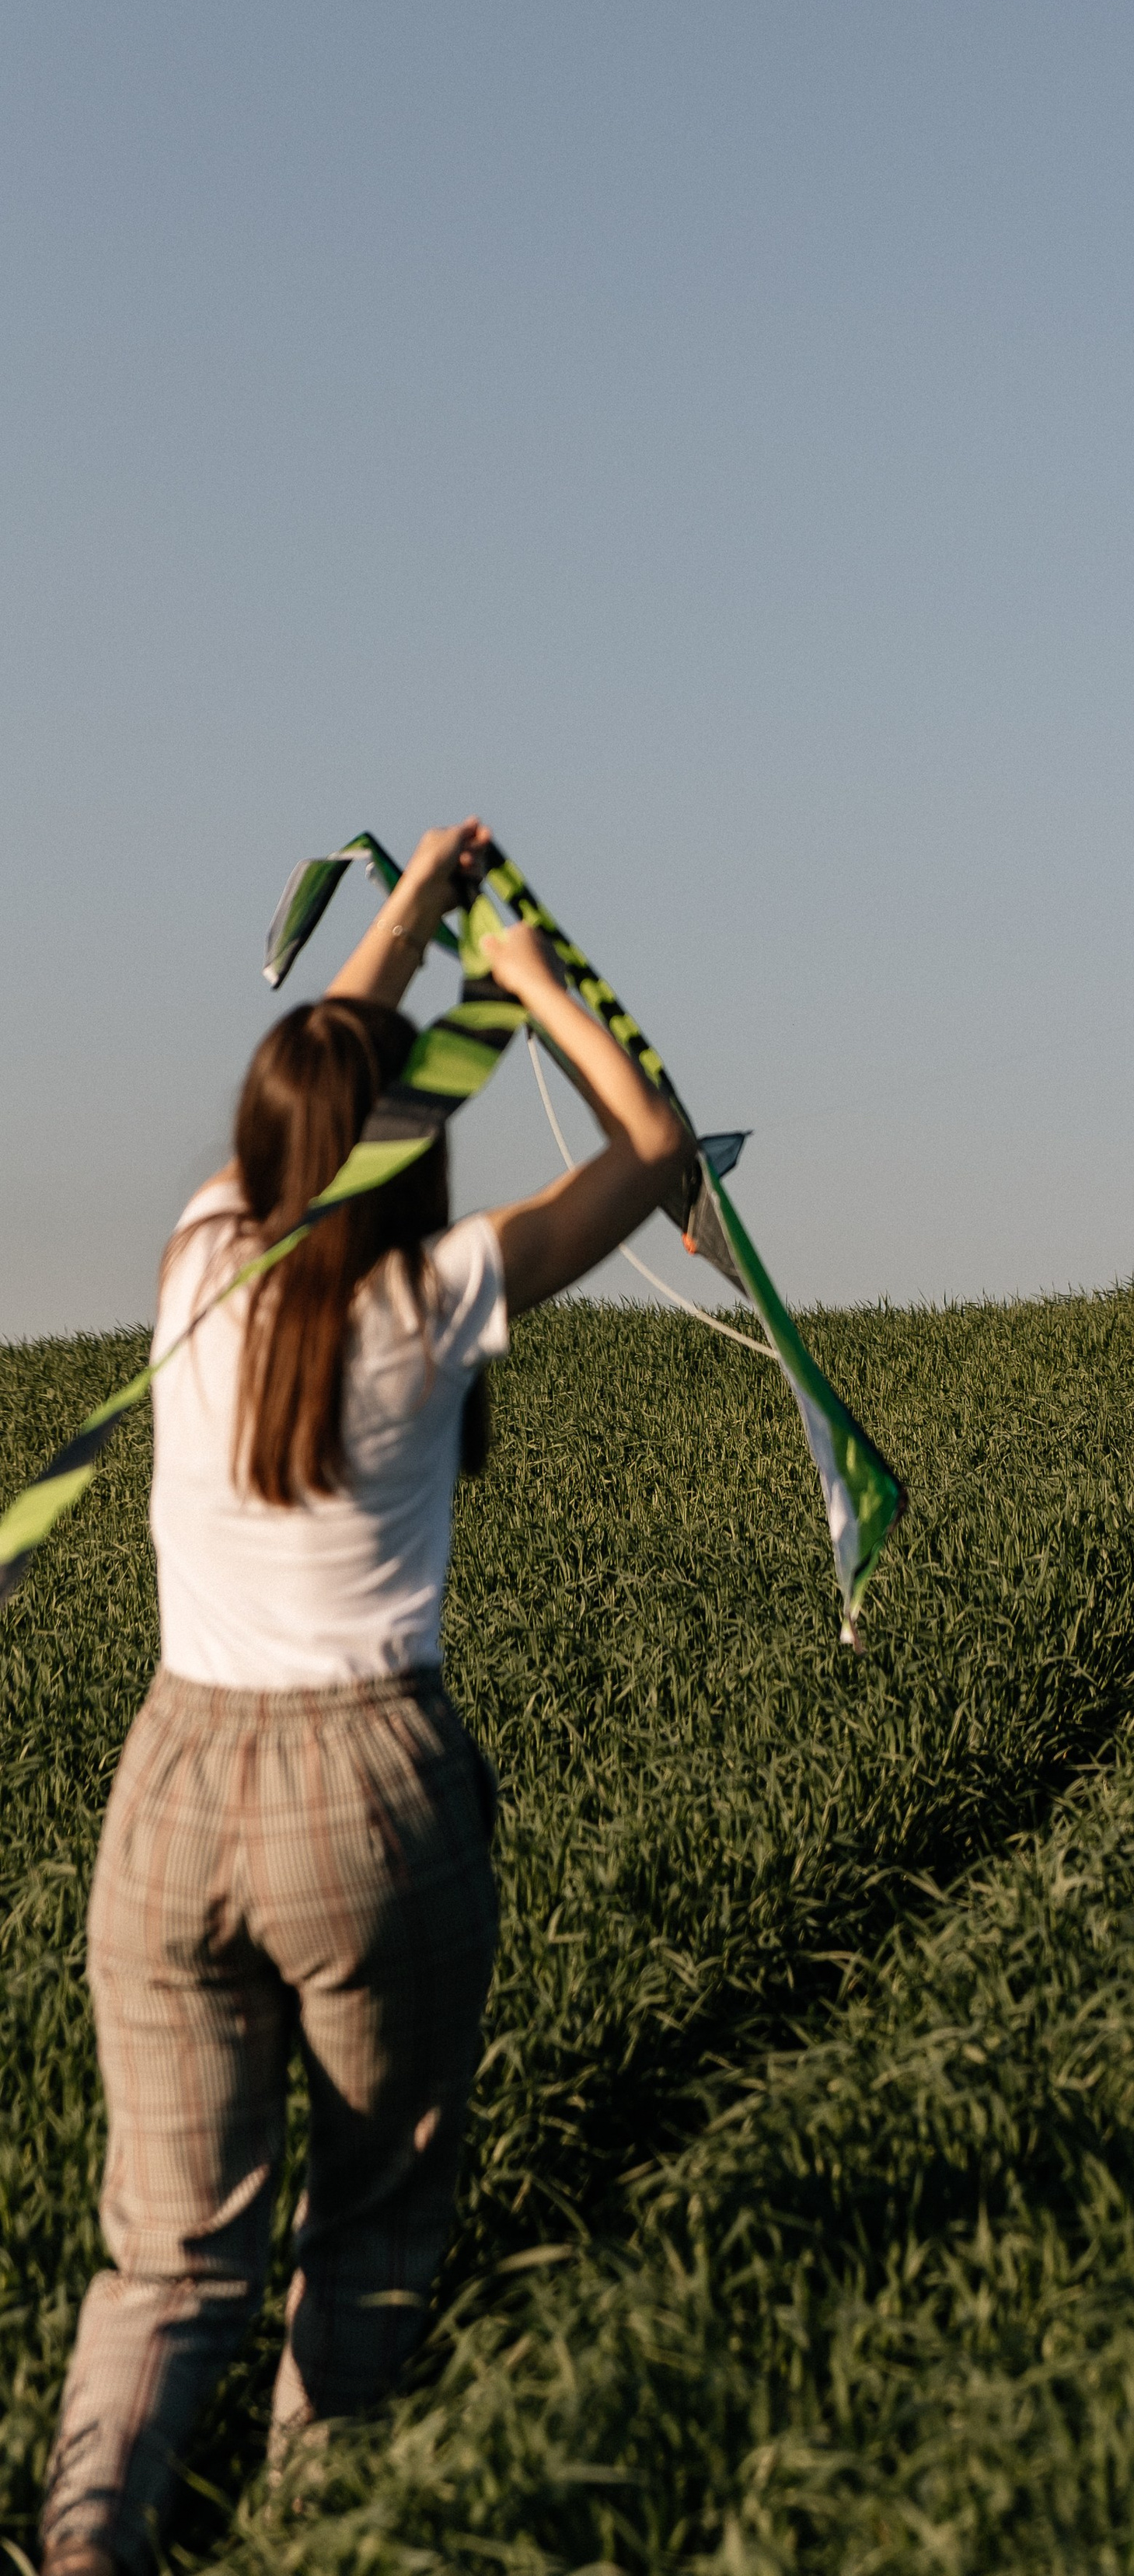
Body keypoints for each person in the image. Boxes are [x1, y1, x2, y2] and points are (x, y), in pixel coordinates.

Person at [40, 818, 693, 2576]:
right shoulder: (436, 1289)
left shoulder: (195, 1265)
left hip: (172, 1784)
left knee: (164, 2254)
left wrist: (399, 913)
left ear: (252, 1144)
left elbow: (323, 1061)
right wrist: (534, 984)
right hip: (368, 1786)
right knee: (375, 2224)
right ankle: (320, 2536)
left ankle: (89, 2542)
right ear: (405, 1142)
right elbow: (650, 1149)